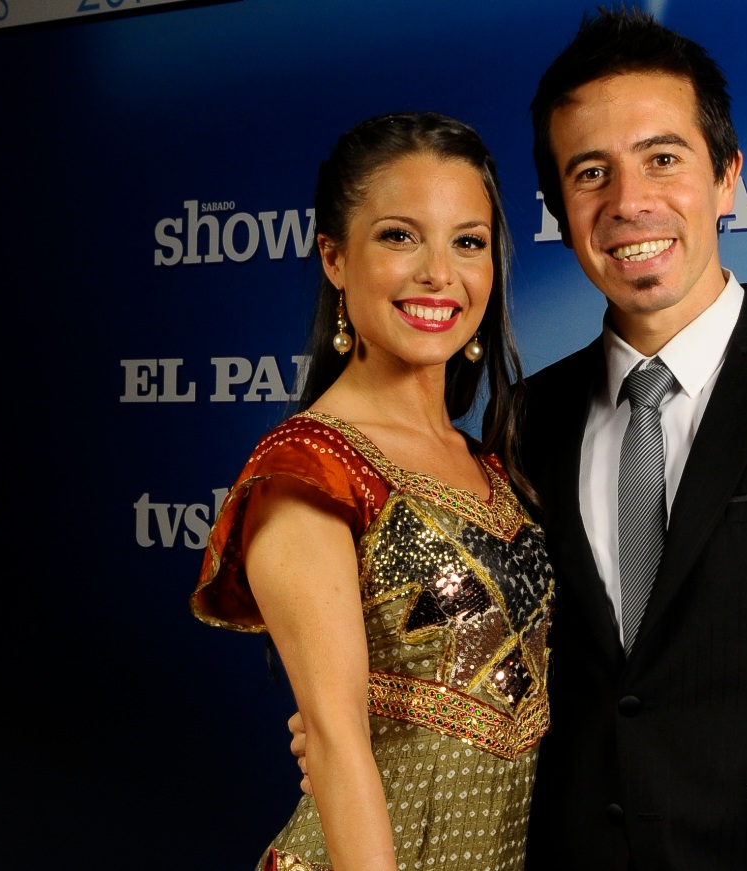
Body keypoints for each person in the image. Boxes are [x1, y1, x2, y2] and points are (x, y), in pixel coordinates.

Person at [292, 7, 747, 870]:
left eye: (663, 158)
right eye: (591, 174)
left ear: (727, 176)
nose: (630, 203)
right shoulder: (520, 425)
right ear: (557, 210)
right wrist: (364, 716)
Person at [191, 111, 554, 871]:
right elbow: (332, 737)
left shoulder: (491, 461)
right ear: (333, 256)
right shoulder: (309, 467)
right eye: (399, 235)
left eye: (468, 241)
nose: (438, 273)